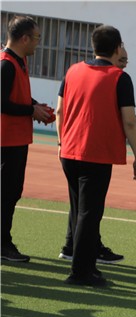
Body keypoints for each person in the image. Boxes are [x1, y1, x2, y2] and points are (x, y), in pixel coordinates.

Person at [55, 24, 136, 287]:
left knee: (79, 210)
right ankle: (80, 271)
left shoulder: (73, 70)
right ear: (117, 48)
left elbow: (60, 111)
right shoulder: (119, 77)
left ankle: (85, 264)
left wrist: (61, 142)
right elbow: (129, 121)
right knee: (90, 213)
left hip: (69, 150)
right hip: (95, 154)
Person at [1, 14, 53, 263]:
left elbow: (16, 97)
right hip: (6, 141)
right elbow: (2, 103)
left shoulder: (18, 61)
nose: (38, 43)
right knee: (6, 193)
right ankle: (3, 244)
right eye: (36, 38)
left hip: (16, 139)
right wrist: (30, 110)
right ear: (24, 39)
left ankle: (4, 241)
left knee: (12, 192)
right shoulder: (7, 64)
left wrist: (35, 107)